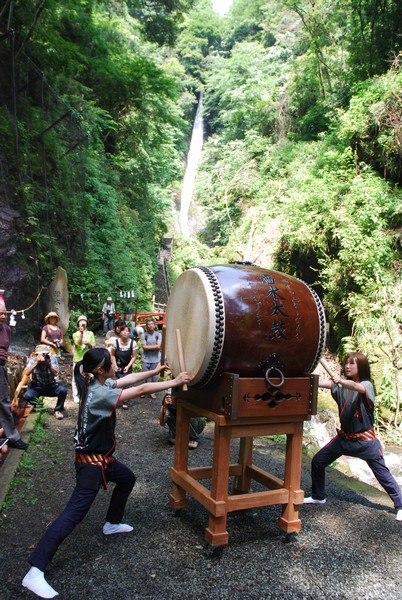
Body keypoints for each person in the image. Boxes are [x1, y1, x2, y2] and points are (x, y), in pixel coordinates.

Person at [22, 347, 190, 599]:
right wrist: (174, 382)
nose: (116, 364)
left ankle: (111, 523)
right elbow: (141, 390)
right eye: (112, 362)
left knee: (127, 479)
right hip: (91, 464)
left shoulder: (97, 382)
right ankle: (35, 570)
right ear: (101, 369)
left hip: (102, 459)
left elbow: (128, 379)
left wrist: (156, 371)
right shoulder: (99, 393)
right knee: (73, 514)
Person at [304, 351, 402, 522]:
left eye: (352, 363)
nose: (347, 366)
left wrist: (341, 381)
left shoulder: (367, 385)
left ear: (361, 367)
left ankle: (400, 505)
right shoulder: (340, 387)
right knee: (318, 461)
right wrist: (305, 376)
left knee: (382, 474)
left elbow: (358, 387)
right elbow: (320, 383)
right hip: (344, 439)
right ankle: (318, 496)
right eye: (346, 363)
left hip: (365, 442)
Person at [0, 301, 28, 450]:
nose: (3, 316)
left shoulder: (6, 329)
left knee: (4, 401)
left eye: (5, 313)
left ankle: (11, 436)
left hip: (1, 365)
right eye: (1, 314)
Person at [23, 345, 68, 420]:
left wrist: (48, 364)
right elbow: (26, 372)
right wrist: (36, 362)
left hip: (51, 386)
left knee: (63, 390)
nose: (42, 356)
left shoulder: (52, 359)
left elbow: (56, 373)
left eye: (44, 354)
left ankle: (58, 409)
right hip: (37, 386)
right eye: (39, 354)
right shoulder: (32, 360)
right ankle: (37, 405)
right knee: (27, 395)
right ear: (36, 354)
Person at [72, 316, 95, 403]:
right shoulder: (75, 334)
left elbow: (93, 346)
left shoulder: (90, 333)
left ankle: (88, 393)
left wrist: (89, 344)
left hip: (88, 357)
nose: (83, 323)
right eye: (81, 321)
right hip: (78, 358)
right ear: (78, 323)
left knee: (90, 375)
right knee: (75, 377)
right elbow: (78, 344)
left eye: (84, 321)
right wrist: (81, 333)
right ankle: (76, 395)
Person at [140, 318, 162, 399]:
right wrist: (155, 347)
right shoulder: (144, 335)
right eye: (149, 324)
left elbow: (159, 346)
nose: (150, 326)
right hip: (146, 359)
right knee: (144, 376)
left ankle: (152, 392)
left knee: (155, 377)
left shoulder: (158, 335)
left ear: (154, 325)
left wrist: (149, 347)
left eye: (152, 324)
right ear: (146, 326)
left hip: (155, 359)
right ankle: (143, 391)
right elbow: (144, 347)